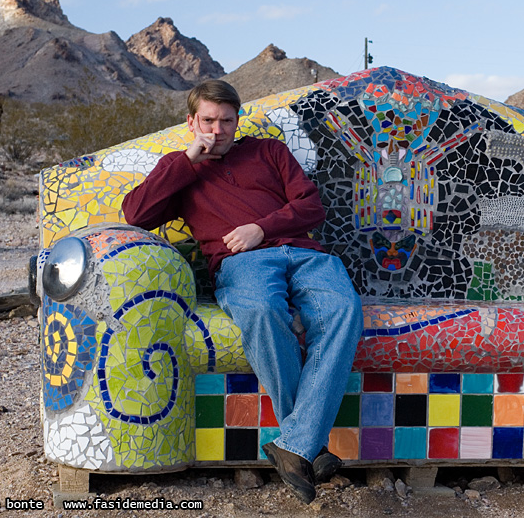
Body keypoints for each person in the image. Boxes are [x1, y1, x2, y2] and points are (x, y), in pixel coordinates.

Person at [122, 80, 363, 504]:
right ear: (191, 121)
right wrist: (186, 160)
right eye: (208, 121)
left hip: (304, 252)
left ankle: (294, 445)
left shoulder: (268, 151)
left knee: (343, 310)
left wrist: (261, 228)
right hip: (240, 265)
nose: (217, 130)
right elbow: (136, 214)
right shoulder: (180, 170)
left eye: (226, 121)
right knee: (261, 311)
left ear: (237, 120)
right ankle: (307, 446)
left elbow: (311, 205)